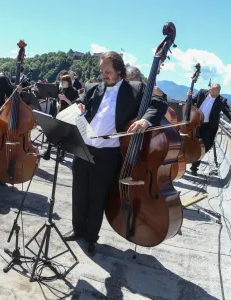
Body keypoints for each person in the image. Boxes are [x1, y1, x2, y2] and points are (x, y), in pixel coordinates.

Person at [64, 51, 168, 256]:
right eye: (102, 71)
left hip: (108, 153)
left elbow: (159, 104)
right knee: (79, 193)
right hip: (84, 147)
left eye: (108, 71)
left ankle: (91, 238)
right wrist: (79, 105)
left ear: (120, 70)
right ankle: (78, 231)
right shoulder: (94, 87)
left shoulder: (136, 89)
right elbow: (80, 100)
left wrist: (144, 120)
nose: (104, 75)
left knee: (97, 197)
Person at [186, 84, 231, 175]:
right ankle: (186, 162)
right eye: (214, 92)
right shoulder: (202, 92)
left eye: (218, 93)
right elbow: (190, 102)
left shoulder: (221, 100)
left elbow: (228, 111)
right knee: (190, 142)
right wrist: (189, 96)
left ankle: (194, 166)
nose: (216, 95)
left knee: (205, 147)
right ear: (209, 90)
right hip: (196, 124)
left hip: (209, 127)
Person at [43, 74, 79, 161]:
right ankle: (48, 151)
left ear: (68, 82)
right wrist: (57, 104)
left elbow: (74, 105)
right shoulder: (61, 89)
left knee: (63, 136)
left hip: (68, 114)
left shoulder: (73, 91)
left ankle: (61, 155)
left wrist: (65, 99)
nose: (62, 83)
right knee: (53, 133)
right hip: (59, 112)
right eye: (61, 81)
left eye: (63, 81)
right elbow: (58, 100)